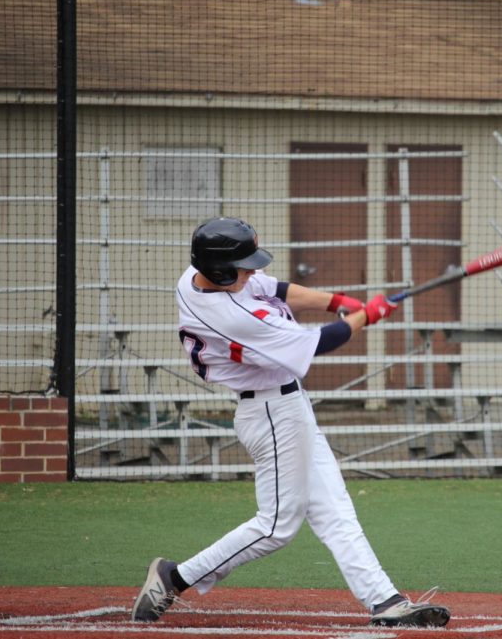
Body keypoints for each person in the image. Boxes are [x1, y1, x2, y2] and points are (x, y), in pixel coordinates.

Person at [131, 217, 450, 628]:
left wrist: (337, 301)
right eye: (243, 266)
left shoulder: (196, 277)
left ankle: (384, 601)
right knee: (277, 526)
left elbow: (276, 288)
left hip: (285, 407)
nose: (251, 272)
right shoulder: (234, 317)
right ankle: (175, 577)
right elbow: (320, 342)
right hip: (270, 413)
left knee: (335, 509)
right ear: (220, 270)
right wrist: (367, 316)